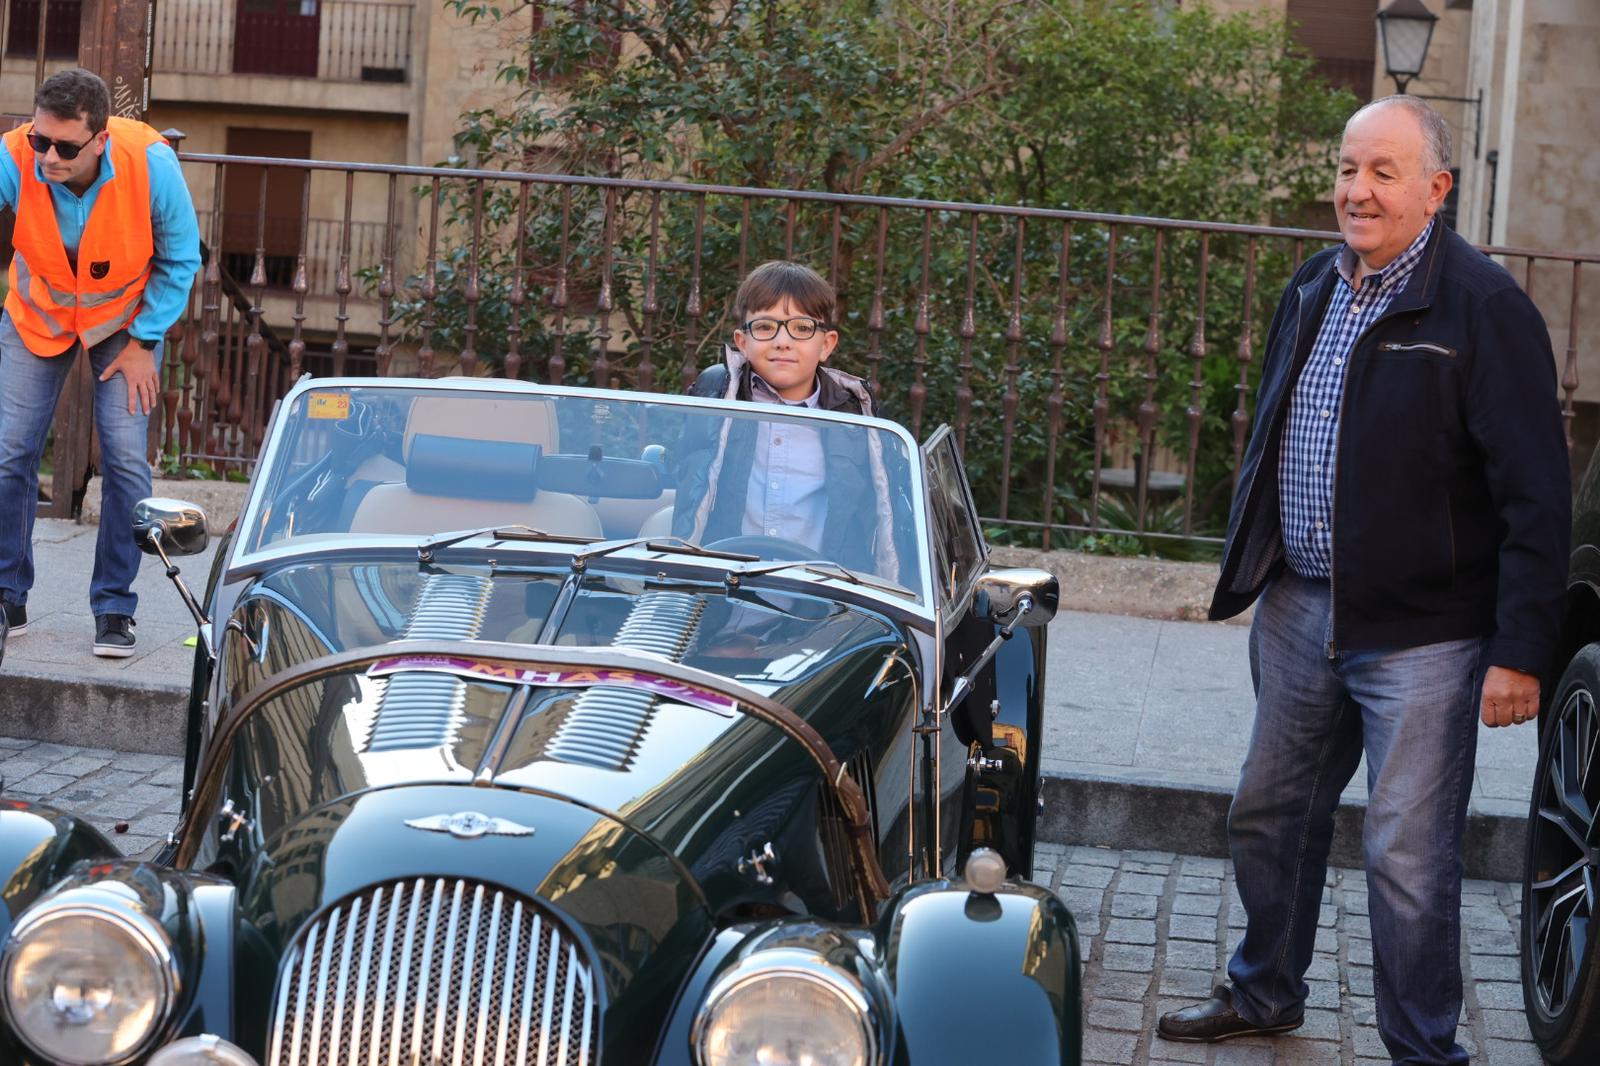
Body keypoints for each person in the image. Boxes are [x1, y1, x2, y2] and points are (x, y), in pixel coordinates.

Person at [1155, 95, 1569, 1064]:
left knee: (1407, 855)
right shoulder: (1312, 284)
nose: (1358, 190)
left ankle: (1423, 1050)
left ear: (1436, 188)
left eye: (1384, 172)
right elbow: (1274, 433)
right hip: (1300, 606)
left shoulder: (1486, 309)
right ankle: (1264, 991)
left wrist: (1520, 651)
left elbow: (1536, 496)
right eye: (1348, 169)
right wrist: (1257, 562)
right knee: (1268, 813)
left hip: (1424, 635)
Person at [0, 68, 201, 657]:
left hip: (124, 325)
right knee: (8, 453)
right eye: (41, 140)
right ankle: (7, 594)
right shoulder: (15, 155)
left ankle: (114, 605)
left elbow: (180, 259)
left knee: (127, 465)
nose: (48, 157)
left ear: (100, 139)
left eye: (65, 147)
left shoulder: (150, 163)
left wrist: (145, 342)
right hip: (39, 314)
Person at [673, 260, 900, 578]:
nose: (783, 341)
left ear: (826, 345)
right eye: (765, 327)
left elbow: (881, 516)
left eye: (802, 328)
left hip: (823, 593)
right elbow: (692, 489)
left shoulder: (855, 420)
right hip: (726, 586)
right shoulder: (719, 404)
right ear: (743, 342)